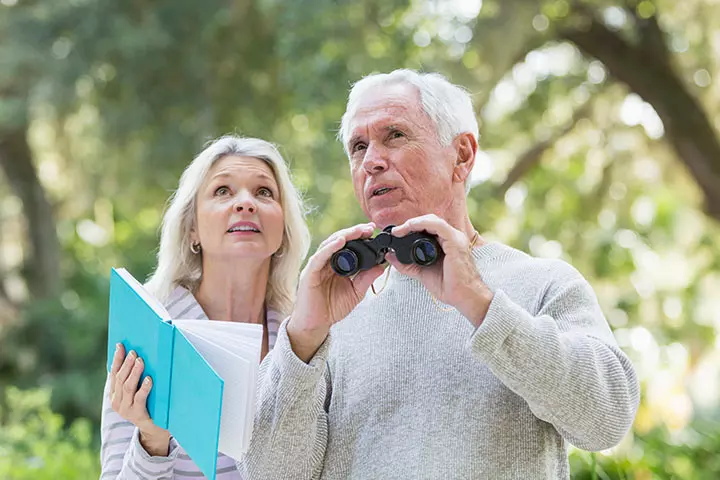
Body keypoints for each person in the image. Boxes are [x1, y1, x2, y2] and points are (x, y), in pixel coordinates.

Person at [240, 70, 640, 479]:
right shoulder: (333, 311)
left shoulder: (544, 283)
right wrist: (303, 338)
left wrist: (481, 307)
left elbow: (606, 420)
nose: (372, 161)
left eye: (394, 135)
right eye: (358, 147)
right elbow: (269, 473)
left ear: (463, 155)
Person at [99, 135, 311, 479]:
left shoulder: (305, 336)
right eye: (222, 191)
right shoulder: (150, 335)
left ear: (283, 231)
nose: (245, 203)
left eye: (264, 192)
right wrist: (153, 440)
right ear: (192, 228)